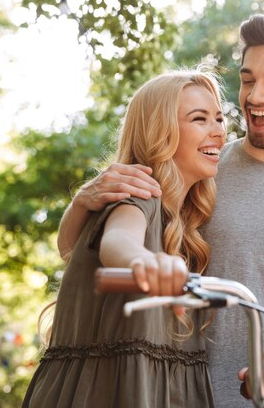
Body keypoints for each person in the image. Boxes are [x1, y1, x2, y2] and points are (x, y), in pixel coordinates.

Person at [58, 14, 264, 408]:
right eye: (248, 80)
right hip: (193, 395)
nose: (255, 96)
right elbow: (86, 249)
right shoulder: (195, 165)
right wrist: (83, 203)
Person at [22, 69, 227, 408]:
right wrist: (147, 262)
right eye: (199, 119)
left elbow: (69, 248)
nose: (218, 131)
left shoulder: (183, 224)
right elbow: (118, 242)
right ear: (161, 132)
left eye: (218, 119)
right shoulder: (138, 195)